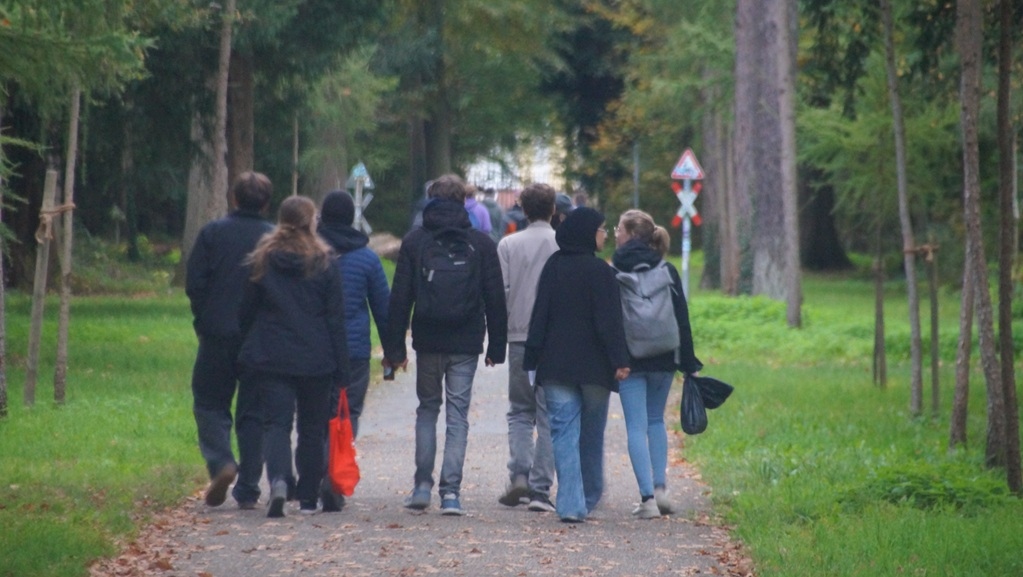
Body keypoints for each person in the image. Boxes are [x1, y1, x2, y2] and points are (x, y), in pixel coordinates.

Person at [382, 174, 507, 516]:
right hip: (466, 341)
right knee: (457, 416)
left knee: (427, 409)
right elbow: (495, 297)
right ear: (464, 200)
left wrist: (394, 349)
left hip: (428, 338)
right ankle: (450, 493)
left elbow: (400, 298)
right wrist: (497, 347)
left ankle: (422, 485)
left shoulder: (415, 241)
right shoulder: (481, 244)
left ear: (431, 198)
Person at [237, 195, 350, 517]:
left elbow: (246, 310)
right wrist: (342, 367)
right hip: (316, 356)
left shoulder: (263, 258)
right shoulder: (325, 261)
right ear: (311, 221)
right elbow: (334, 319)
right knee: (312, 429)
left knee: (276, 424)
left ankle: (279, 482)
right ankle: (309, 497)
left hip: (271, 354)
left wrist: (246, 346)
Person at [523, 207, 630, 523]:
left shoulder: (553, 267)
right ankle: (589, 495)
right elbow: (609, 322)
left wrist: (532, 357)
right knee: (592, 434)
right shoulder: (602, 273)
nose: (606, 234)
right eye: (602, 228)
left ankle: (570, 504)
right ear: (588, 232)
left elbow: (539, 314)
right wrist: (620, 360)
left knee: (563, 433)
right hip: (595, 369)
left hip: (556, 366)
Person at [185, 171, 273, 510]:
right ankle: (249, 488)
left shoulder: (212, 233)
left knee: (209, 402)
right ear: (266, 203)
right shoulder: (272, 238)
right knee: (254, 412)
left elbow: (195, 283)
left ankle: (222, 462)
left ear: (233, 199)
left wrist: (203, 319)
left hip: (217, 332)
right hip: (259, 338)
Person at [612, 209, 702, 519]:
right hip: (666, 356)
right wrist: (689, 362)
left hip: (631, 360)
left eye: (619, 229)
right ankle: (662, 487)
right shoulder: (667, 269)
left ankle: (647, 499)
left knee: (636, 426)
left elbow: (612, 322)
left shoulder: (614, 270)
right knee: (655, 421)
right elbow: (681, 317)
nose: (614, 233)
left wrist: (616, 360)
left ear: (630, 235)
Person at [316, 190, 390, 512]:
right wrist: (393, 350)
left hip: (314, 346)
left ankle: (316, 475)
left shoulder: (311, 253)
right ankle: (334, 477)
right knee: (348, 413)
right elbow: (382, 308)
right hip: (354, 348)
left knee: (316, 414)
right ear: (350, 218)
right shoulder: (367, 257)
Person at [496, 183, 559, 513]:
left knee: (520, 410)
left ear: (522, 209)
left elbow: (501, 292)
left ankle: (519, 472)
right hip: (554, 340)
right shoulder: (561, 243)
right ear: (553, 210)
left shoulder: (508, 245)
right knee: (549, 416)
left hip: (519, 336)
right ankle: (540, 488)